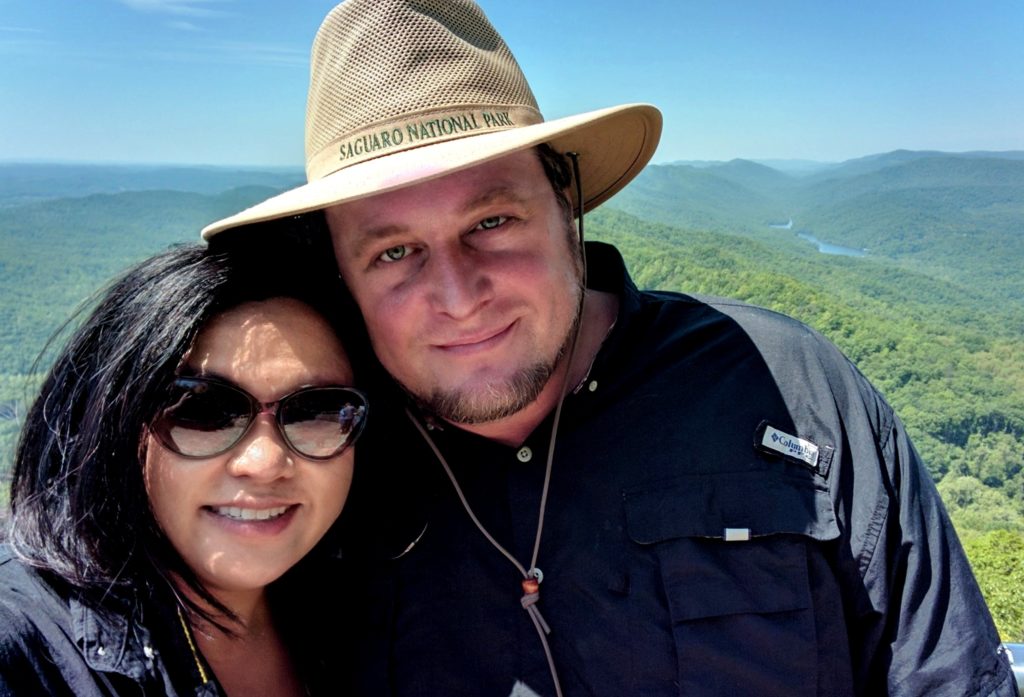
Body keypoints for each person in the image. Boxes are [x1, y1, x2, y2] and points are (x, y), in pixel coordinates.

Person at [201, 1, 1017, 695]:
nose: (456, 294)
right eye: (393, 252)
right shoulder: (313, 462)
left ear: (567, 203)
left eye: (491, 222)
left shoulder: (790, 391)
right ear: (342, 277)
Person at [0, 234, 369, 696]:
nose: (265, 462)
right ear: (113, 426)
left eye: (316, 411)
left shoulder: (374, 601)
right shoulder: (22, 649)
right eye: (202, 411)